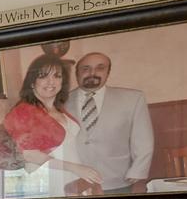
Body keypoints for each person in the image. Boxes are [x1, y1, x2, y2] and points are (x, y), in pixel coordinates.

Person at [3, 53, 101, 195]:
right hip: (49, 178)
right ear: (32, 82)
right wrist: (75, 168)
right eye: (43, 76)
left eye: (57, 76)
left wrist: (82, 172)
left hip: (74, 178)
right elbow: (30, 155)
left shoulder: (60, 109)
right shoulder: (23, 111)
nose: (51, 82)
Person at [64, 49, 155, 191]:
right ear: (77, 73)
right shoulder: (60, 102)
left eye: (100, 68)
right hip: (74, 183)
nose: (92, 73)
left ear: (108, 72)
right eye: (85, 69)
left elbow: (143, 139)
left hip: (118, 181)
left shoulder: (132, 99)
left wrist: (138, 170)